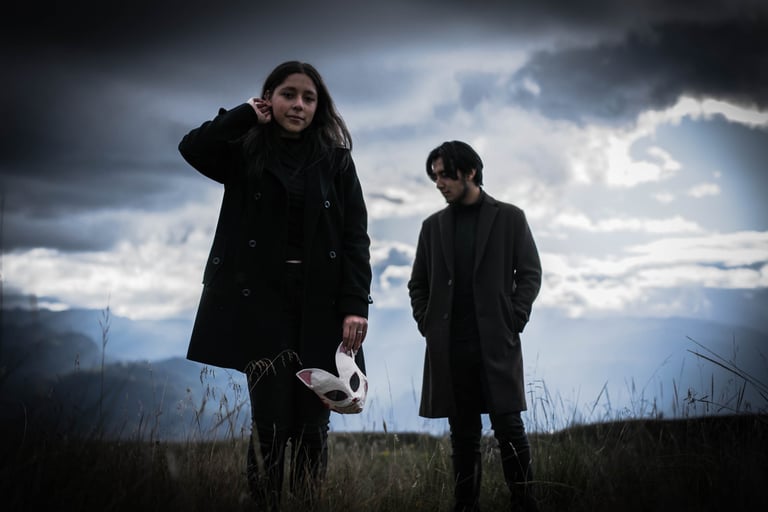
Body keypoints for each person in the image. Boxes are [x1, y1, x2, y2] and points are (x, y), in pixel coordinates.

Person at [178, 61, 372, 510]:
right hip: (261, 302)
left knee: (313, 424)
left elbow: (355, 237)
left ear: (319, 106)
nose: (298, 105)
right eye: (288, 94)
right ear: (269, 98)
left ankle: (305, 504)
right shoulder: (244, 150)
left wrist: (355, 305)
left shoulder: (336, 161)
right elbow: (193, 147)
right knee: (269, 423)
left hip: (322, 303)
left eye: (308, 97)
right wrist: (245, 114)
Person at [408, 141, 542, 512]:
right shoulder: (432, 227)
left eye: (445, 175)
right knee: (463, 436)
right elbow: (418, 284)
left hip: (496, 343)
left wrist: (514, 318)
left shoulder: (510, 218)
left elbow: (530, 273)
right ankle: (465, 507)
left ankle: (525, 504)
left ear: (470, 172)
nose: (439, 183)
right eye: (435, 177)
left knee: (509, 428)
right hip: (451, 347)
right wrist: (427, 323)